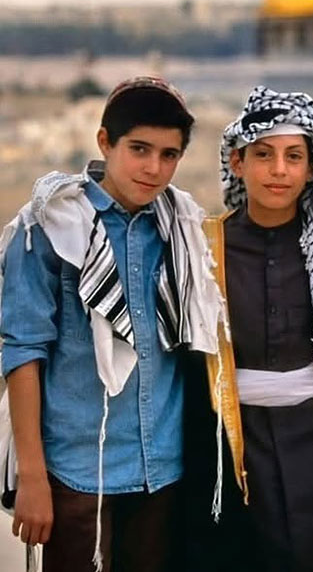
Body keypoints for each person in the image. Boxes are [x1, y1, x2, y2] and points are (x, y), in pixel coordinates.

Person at [0, 76, 223, 572]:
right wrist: (33, 477)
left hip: (163, 472)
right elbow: (23, 351)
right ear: (105, 142)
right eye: (139, 149)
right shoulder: (50, 228)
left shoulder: (183, 229)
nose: (153, 168)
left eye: (169, 155)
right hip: (79, 473)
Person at [179, 86, 313, 572]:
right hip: (236, 446)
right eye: (263, 155)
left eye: (294, 157)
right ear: (237, 162)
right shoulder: (203, 250)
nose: (279, 170)